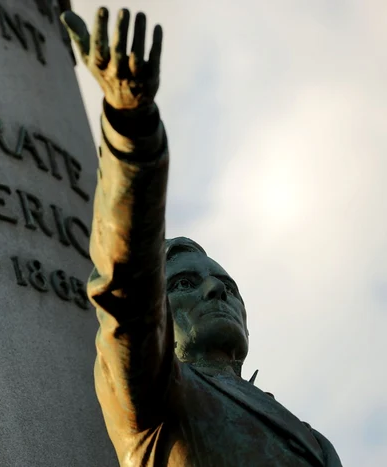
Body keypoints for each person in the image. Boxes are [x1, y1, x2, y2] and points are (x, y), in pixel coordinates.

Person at [61, 7, 343, 466]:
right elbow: (127, 288)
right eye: (184, 284)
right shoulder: (157, 395)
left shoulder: (312, 440)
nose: (216, 289)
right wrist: (131, 127)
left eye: (227, 286)